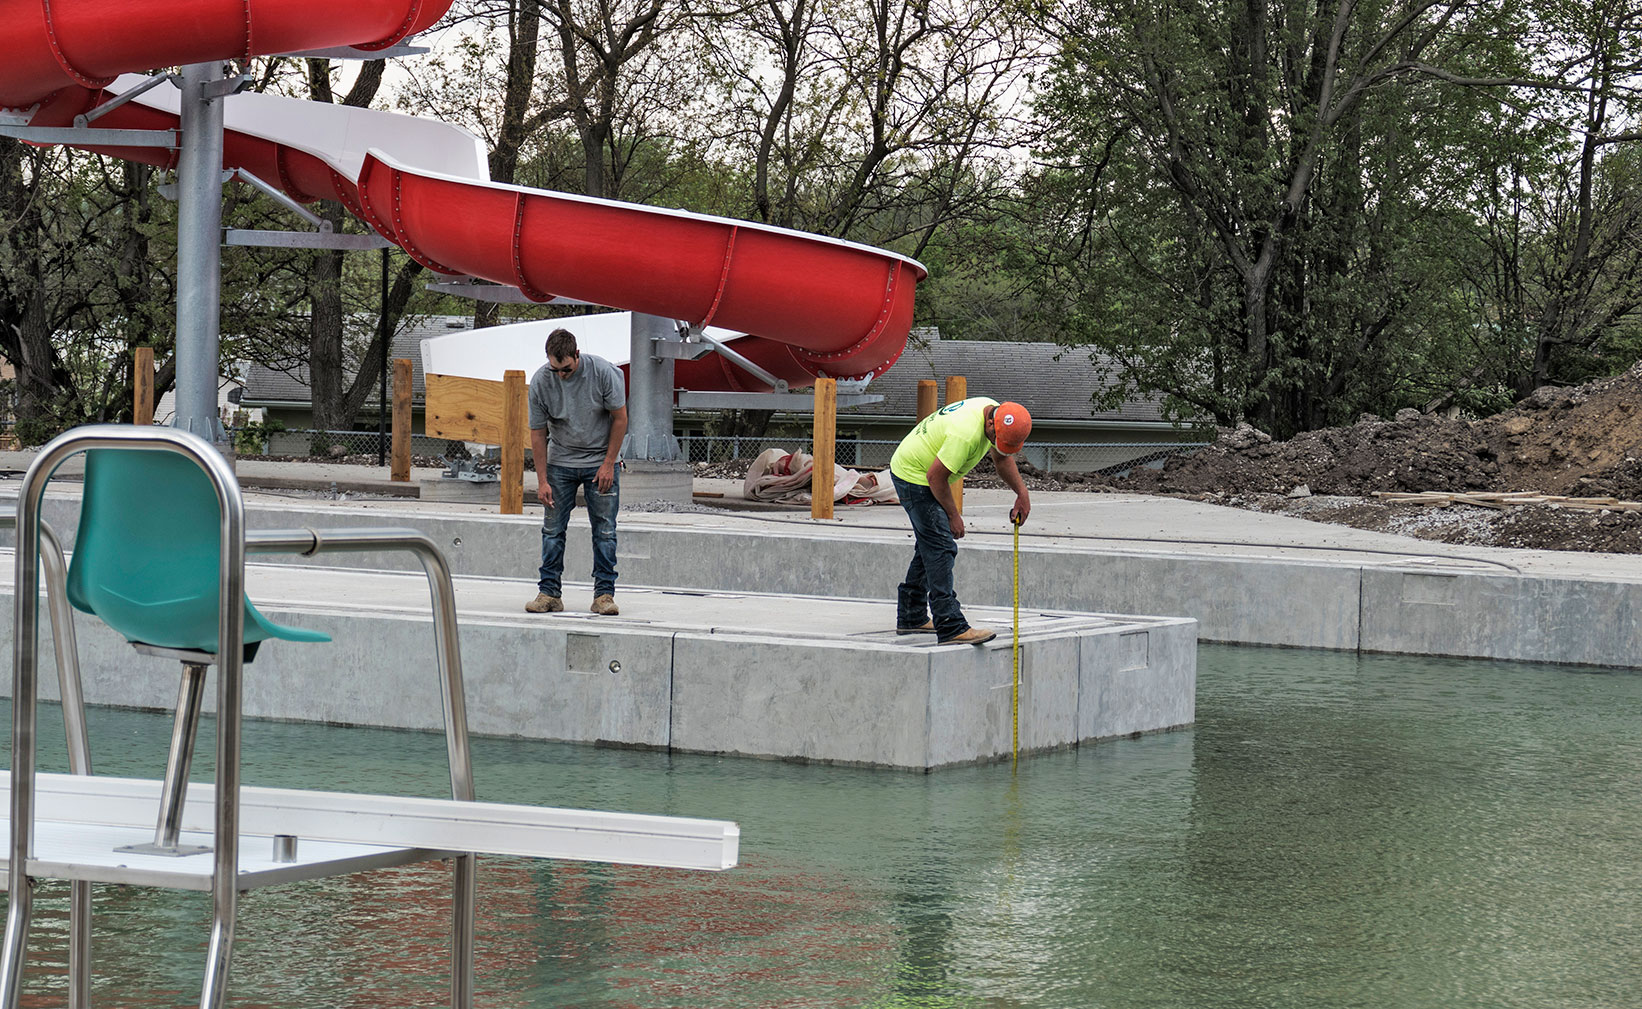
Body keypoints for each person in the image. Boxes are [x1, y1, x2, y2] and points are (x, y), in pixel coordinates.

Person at [888, 397, 1032, 644]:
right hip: (915, 476)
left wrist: (1022, 492)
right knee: (942, 546)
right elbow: (936, 478)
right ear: (990, 425)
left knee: (930, 545)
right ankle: (951, 624)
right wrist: (954, 516)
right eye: (997, 441)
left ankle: (911, 616)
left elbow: (1002, 458)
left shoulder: (994, 413)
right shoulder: (964, 434)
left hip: (923, 471)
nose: (998, 446)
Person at [524, 328, 629, 616]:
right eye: (555, 369)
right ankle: (549, 594)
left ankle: (604, 596)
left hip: (599, 462)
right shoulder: (541, 381)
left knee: (605, 530)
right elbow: (537, 433)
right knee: (553, 530)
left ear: (577, 355)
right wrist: (542, 480)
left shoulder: (604, 373)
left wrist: (609, 463)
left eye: (567, 369)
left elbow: (620, 419)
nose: (561, 375)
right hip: (561, 462)